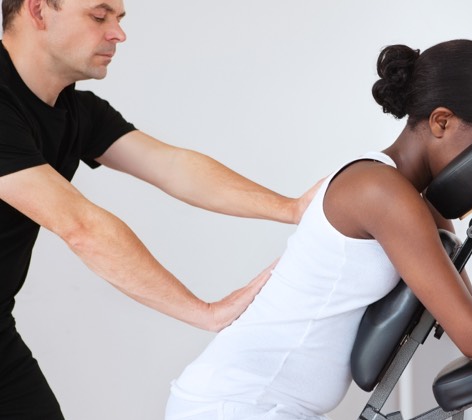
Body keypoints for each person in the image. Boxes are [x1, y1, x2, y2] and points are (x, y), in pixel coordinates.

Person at [165, 39, 472, 420]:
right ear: (441, 122)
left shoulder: (418, 201)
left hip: (268, 406)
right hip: (236, 405)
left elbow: (467, 318)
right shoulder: (381, 191)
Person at [0, 0, 320, 418]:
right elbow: (80, 226)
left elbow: (173, 167)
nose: (118, 34)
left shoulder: (76, 112)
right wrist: (205, 312)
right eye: (99, 16)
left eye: (118, 18)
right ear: (39, 11)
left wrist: (292, 209)